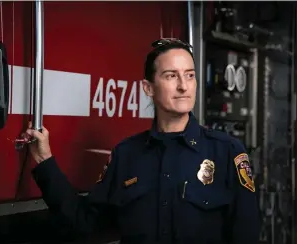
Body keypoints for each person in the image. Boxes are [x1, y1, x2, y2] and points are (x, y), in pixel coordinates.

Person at [24, 39, 260, 244]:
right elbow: (83, 223)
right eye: (171, 76)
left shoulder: (227, 152)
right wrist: (45, 160)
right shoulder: (126, 156)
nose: (183, 86)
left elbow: (246, 236)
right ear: (148, 88)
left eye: (190, 75)